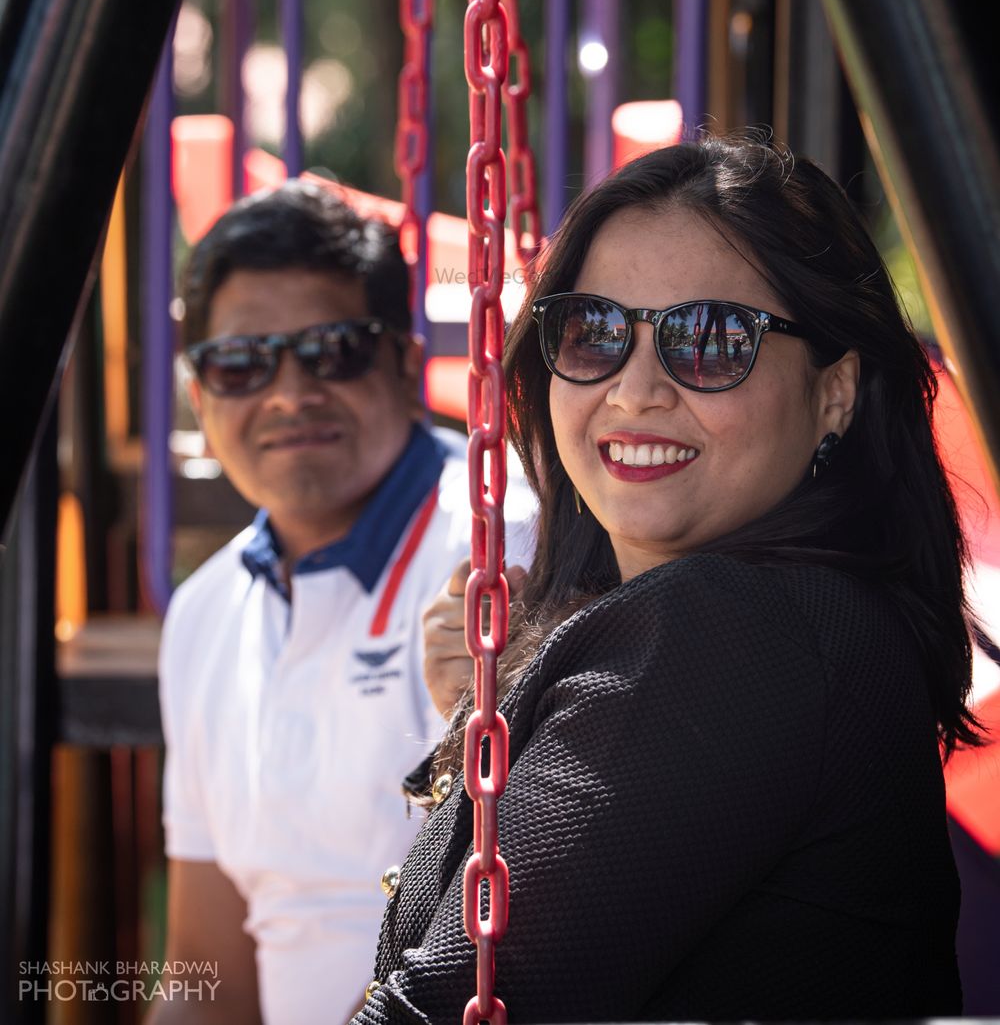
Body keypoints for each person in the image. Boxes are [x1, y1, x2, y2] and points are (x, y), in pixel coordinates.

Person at [353, 134, 977, 1023]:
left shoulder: (738, 635)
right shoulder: (798, 622)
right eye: (594, 331)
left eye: (713, 339)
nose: (635, 390)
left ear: (834, 392)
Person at [153, 181, 534, 1024]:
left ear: (403, 367)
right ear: (199, 396)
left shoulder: (500, 544)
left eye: (333, 351)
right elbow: (205, 975)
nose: (289, 393)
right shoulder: (203, 615)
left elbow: (509, 930)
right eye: (242, 363)